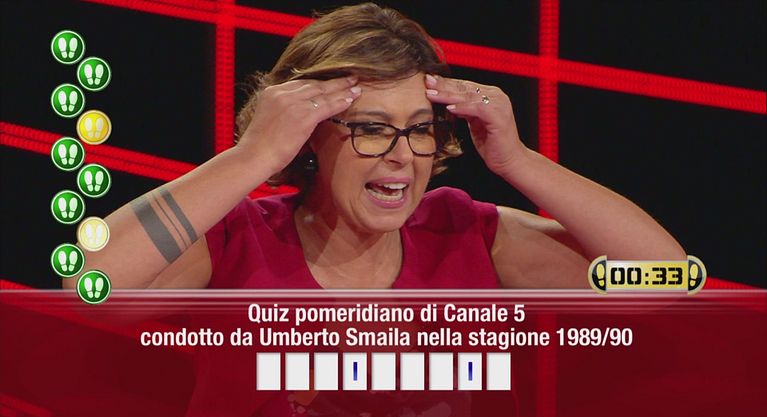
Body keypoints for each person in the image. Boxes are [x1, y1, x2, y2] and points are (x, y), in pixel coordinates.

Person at [62, 2, 685, 291]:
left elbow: (667, 282)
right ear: (308, 133)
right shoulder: (238, 241)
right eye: (371, 127)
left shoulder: (463, 236)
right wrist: (255, 156)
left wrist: (518, 161)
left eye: (419, 128)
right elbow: (91, 284)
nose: (402, 154)